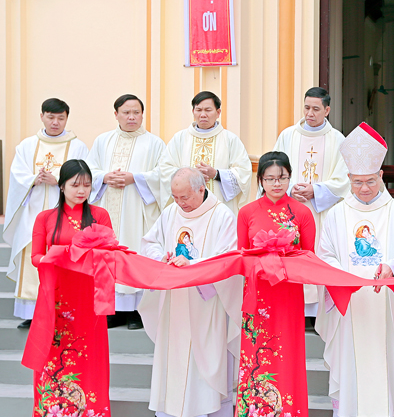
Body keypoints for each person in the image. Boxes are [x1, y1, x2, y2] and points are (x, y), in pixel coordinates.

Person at [316, 122, 394, 417]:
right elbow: (325, 254)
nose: (364, 188)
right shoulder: (335, 215)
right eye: (358, 182)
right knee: (349, 362)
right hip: (349, 304)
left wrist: (392, 266)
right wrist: (342, 275)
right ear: (350, 181)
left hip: (384, 301)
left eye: (370, 181)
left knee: (383, 359)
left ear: (380, 178)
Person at [135, 167, 241, 417]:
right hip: (173, 299)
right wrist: (163, 258)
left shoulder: (222, 216)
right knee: (171, 356)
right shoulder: (170, 213)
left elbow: (228, 260)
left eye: (185, 197)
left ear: (201, 188)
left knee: (201, 356)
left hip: (204, 300)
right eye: (175, 196)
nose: (180, 202)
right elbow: (149, 243)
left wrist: (192, 266)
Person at [25, 160, 113, 417]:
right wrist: (62, 254)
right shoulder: (45, 218)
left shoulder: (100, 215)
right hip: (57, 297)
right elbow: (36, 257)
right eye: (75, 185)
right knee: (54, 360)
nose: (81, 190)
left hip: (88, 297)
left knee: (87, 360)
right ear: (61, 186)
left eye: (87, 185)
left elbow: (110, 254)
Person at [235, 152, 315, 417]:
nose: (276, 183)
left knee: (286, 359)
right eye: (270, 178)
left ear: (289, 177)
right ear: (260, 181)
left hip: (287, 295)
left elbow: (308, 257)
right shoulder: (247, 212)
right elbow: (241, 255)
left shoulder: (302, 213)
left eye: (282, 177)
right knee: (255, 361)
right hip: (257, 294)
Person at [3, 98, 89, 329]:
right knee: (33, 256)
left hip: (62, 211)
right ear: (42, 116)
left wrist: (57, 180)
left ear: (66, 119)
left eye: (61, 118)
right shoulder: (27, 146)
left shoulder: (77, 146)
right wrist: (34, 179)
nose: (55, 122)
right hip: (33, 211)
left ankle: (61, 310)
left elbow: (84, 175)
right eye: (51, 117)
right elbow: (17, 175)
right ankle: (32, 313)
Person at [85, 94, 165, 330]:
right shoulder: (103, 141)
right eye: (126, 112)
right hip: (107, 209)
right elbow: (90, 169)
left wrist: (136, 178)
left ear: (142, 114)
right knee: (107, 255)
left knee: (134, 254)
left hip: (137, 212)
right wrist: (103, 177)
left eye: (136, 112)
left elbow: (163, 175)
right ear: (116, 114)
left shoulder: (155, 143)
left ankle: (136, 312)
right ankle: (112, 310)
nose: (132, 117)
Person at [273, 87, 349, 329]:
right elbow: (275, 168)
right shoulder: (288, 136)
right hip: (291, 210)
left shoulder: (338, 139)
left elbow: (344, 178)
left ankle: (317, 316)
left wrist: (316, 191)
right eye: (306, 107)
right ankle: (292, 308)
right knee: (292, 255)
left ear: (327, 110)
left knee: (318, 255)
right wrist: (290, 187)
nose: (310, 113)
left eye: (316, 109)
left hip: (321, 212)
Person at [157, 91, 252, 215]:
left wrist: (216, 174)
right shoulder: (179, 138)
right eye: (198, 110)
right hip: (185, 207)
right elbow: (164, 168)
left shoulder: (230, 139)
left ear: (218, 113)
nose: (203, 115)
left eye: (208, 110)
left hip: (219, 207)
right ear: (193, 112)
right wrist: (190, 175)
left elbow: (243, 172)